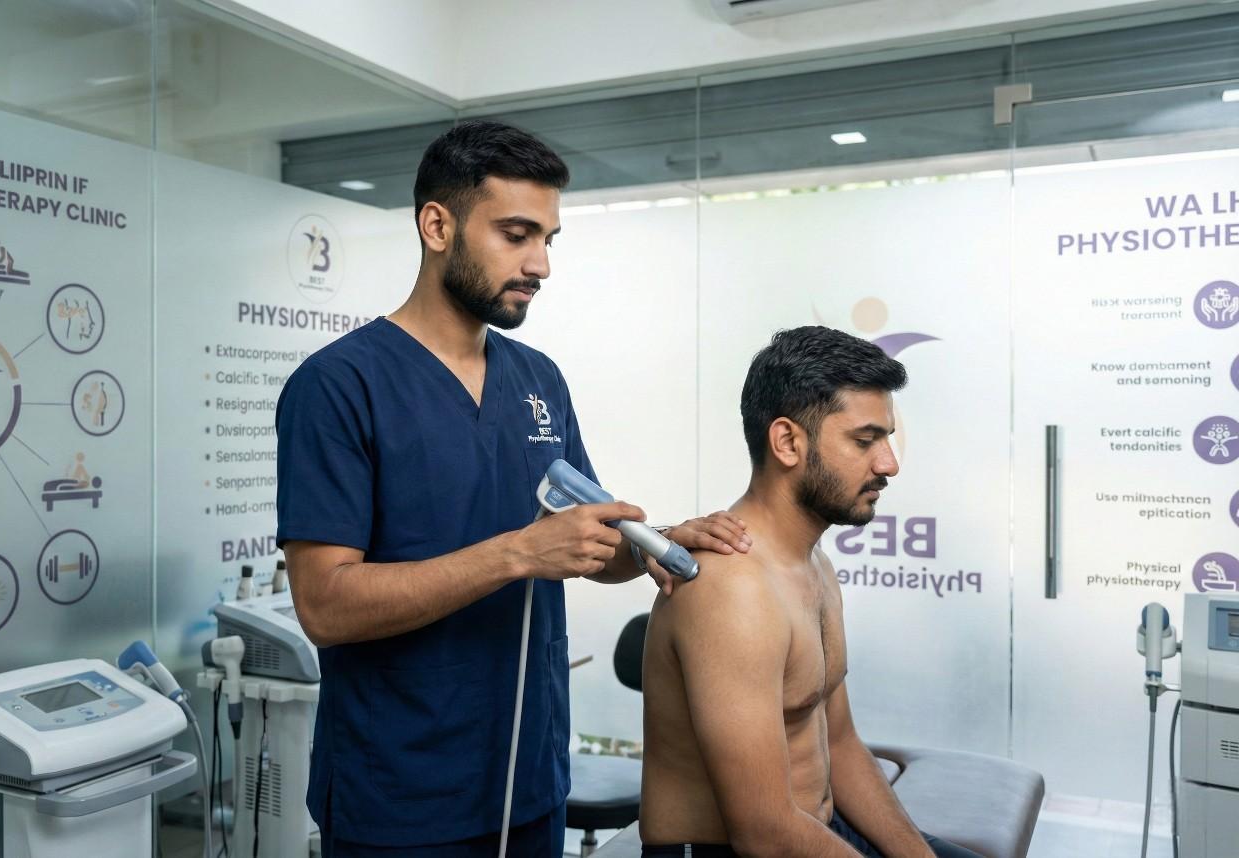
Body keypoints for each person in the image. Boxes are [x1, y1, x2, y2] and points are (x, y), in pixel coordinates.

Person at [275, 120, 750, 858]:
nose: (541, 265)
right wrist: (517, 554)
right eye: (517, 234)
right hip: (400, 795)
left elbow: (585, 544)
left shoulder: (538, 380)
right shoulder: (339, 386)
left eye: (549, 239)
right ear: (438, 225)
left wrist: (655, 544)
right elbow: (325, 606)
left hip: (528, 782)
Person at [639, 326, 980, 858]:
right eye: (865, 441)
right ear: (788, 442)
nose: (889, 463)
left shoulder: (813, 565)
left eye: (886, 439)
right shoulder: (731, 589)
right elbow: (764, 832)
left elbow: (840, 745)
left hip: (818, 831)